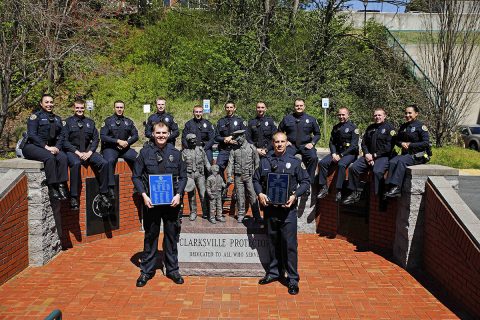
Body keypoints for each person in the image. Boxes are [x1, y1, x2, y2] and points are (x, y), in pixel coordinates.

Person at [253, 131, 310, 295]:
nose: (279, 144)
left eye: (282, 141)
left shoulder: (295, 162)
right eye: (276, 142)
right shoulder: (265, 162)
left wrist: (295, 195)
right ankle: (273, 273)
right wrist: (260, 193)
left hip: (288, 212)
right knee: (273, 242)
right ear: (272, 143)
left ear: (287, 143)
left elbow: (305, 182)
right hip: (270, 210)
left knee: (290, 246)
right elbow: (256, 180)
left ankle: (292, 279)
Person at [132, 121, 187, 287]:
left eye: (164, 133)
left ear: (169, 134)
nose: (161, 136)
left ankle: (172, 269)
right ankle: (147, 271)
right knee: (150, 237)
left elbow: (184, 177)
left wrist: (178, 194)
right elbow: (136, 176)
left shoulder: (176, 154)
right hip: (151, 203)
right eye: (158, 133)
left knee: (171, 236)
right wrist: (143, 195)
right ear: (153, 134)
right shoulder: (144, 153)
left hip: (171, 203)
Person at [62, 100, 110, 211]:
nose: (80, 110)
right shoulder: (67, 122)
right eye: (77, 108)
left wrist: (90, 152)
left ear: (84, 108)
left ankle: (103, 193)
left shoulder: (90, 122)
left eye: (82, 108)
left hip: (88, 152)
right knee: (75, 163)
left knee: (104, 163)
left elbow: (95, 139)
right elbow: (64, 141)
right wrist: (77, 153)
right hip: (73, 151)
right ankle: (74, 197)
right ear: (73, 108)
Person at [343, 108, 396, 205]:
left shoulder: (390, 128)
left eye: (379, 115)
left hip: (382, 157)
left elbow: (388, 147)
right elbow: (364, 143)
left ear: (385, 116)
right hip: (368, 156)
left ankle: (380, 195)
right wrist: (367, 154)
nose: (377, 117)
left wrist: (374, 155)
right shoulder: (370, 128)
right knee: (353, 168)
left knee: (377, 171)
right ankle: (354, 193)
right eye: (375, 115)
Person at [22, 94, 69, 200]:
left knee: (63, 157)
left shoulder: (57, 119)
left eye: (51, 102)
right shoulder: (35, 117)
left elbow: (62, 135)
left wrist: (57, 147)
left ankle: (62, 185)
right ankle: (52, 187)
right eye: (46, 102)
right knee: (49, 158)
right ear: (41, 104)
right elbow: (32, 134)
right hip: (32, 146)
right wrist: (46, 147)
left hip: (51, 147)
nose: (49, 104)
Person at [384, 104, 431, 198]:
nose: (407, 115)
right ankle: (389, 186)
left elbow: (426, 143)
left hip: (418, 155)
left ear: (416, 114)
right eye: (406, 113)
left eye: (410, 113)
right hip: (406, 154)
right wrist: (401, 144)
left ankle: (397, 188)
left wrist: (410, 145)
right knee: (393, 161)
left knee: (401, 162)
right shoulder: (404, 126)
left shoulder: (421, 126)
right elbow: (397, 140)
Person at [317, 107, 359, 201]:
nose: (341, 116)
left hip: (349, 153)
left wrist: (341, 155)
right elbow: (331, 142)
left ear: (348, 115)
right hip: (337, 153)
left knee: (341, 164)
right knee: (322, 163)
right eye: (339, 115)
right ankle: (324, 187)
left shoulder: (353, 128)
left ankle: (339, 190)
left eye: (343, 114)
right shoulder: (336, 127)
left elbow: (353, 146)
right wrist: (333, 153)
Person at [100, 100, 139, 198]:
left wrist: (127, 142)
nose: (119, 109)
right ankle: (111, 187)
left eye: (121, 107)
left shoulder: (128, 122)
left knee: (138, 158)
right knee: (110, 161)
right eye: (117, 107)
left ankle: (138, 184)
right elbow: (103, 136)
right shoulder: (108, 121)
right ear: (114, 108)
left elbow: (135, 135)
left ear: (124, 109)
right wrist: (117, 141)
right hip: (111, 148)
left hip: (124, 149)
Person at [278, 99, 320, 184]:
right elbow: (279, 132)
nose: (299, 107)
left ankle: (308, 181)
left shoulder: (311, 119)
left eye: (301, 105)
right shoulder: (287, 118)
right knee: (283, 158)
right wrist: (284, 141)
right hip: (291, 145)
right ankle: (288, 181)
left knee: (314, 158)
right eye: (297, 106)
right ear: (294, 107)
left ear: (304, 107)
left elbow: (317, 134)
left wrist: (312, 143)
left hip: (306, 145)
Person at [226, 130, 262, 223]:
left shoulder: (252, 148)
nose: (236, 140)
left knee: (252, 195)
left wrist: (257, 177)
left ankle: (257, 215)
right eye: (235, 138)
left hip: (250, 176)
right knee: (239, 195)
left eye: (238, 138)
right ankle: (241, 214)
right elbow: (230, 164)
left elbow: (257, 163)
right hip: (238, 176)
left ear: (243, 136)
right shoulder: (234, 150)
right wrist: (229, 175)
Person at [182, 134, 211, 221]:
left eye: (195, 141)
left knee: (203, 193)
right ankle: (193, 212)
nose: (194, 143)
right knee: (192, 196)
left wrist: (212, 171)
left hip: (200, 174)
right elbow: (182, 167)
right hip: (189, 175)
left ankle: (205, 212)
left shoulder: (201, 150)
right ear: (188, 142)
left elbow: (207, 163)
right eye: (192, 141)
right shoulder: (184, 152)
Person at [214, 101, 246, 178]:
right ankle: (223, 186)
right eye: (227, 107)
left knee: (238, 171)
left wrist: (233, 140)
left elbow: (244, 135)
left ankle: (237, 188)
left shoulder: (240, 121)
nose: (229, 109)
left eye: (231, 107)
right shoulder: (221, 121)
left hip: (237, 150)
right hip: (224, 150)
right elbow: (216, 137)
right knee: (217, 169)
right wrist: (224, 139)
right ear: (225, 109)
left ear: (234, 108)